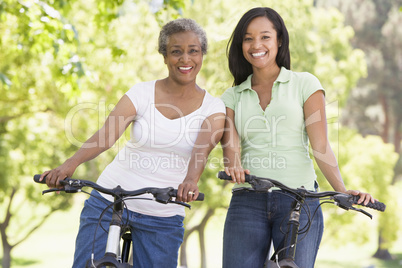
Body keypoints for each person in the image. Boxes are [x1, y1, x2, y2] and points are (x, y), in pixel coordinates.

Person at [40, 18, 225, 268]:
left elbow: (201, 151)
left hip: (164, 210)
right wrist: (69, 165)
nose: (185, 59)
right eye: (176, 52)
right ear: (164, 56)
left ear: (202, 54)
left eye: (193, 51)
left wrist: (191, 180)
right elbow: (106, 135)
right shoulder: (141, 92)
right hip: (110, 199)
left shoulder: (213, 107)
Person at [220, 7, 375, 268]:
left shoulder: (305, 84)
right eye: (248, 38)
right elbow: (231, 149)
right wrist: (233, 166)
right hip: (247, 200)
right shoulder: (232, 96)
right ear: (241, 45)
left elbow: (321, 146)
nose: (256, 44)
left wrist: (341, 189)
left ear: (280, 40)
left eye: (265, 37)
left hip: (298, 201)